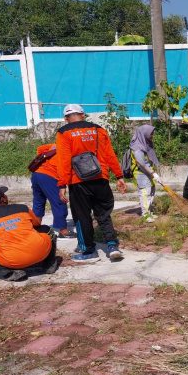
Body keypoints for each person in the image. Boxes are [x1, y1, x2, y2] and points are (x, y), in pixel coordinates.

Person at [56, 104, 127, 262]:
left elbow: (64, 161)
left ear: (66, 118)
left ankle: (88, 250)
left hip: (78, 181)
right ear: (83, 115)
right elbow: (109, 154)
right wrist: (119, 175)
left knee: (82, 217)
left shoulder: (63, 133)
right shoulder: (98, 130)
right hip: (100, 177)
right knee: (104, 214)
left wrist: (62, 185)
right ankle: (112, 245)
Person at [0, 186, 57, 281]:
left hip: (12, 260)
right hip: (40, 252)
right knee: (47, 230)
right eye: (4, 194)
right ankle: (49, 265)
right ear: (3, 199)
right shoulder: (22, 208)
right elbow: (37, 224)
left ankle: (10, 273)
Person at [31, 143, 76, 239]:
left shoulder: (54, 145)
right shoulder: (68, 151)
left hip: (36, 174)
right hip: (50, 176)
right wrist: (62, 187)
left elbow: (40, 149)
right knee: (59, 201)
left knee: (38, 201)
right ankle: (63, 231)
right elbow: (63, 170)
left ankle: (35, 228)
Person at [130, 124, 162, 222]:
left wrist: (153, 172)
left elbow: (149, 160)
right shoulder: (137, 148)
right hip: (141, 173)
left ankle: (149, 212)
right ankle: (145, 214)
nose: (152, 136)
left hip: (148, 173)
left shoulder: (145, 144)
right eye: (151, 134)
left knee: (151, 191)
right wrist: (153, 174)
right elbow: (141, 164)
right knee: (144, 193)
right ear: (144, 134)